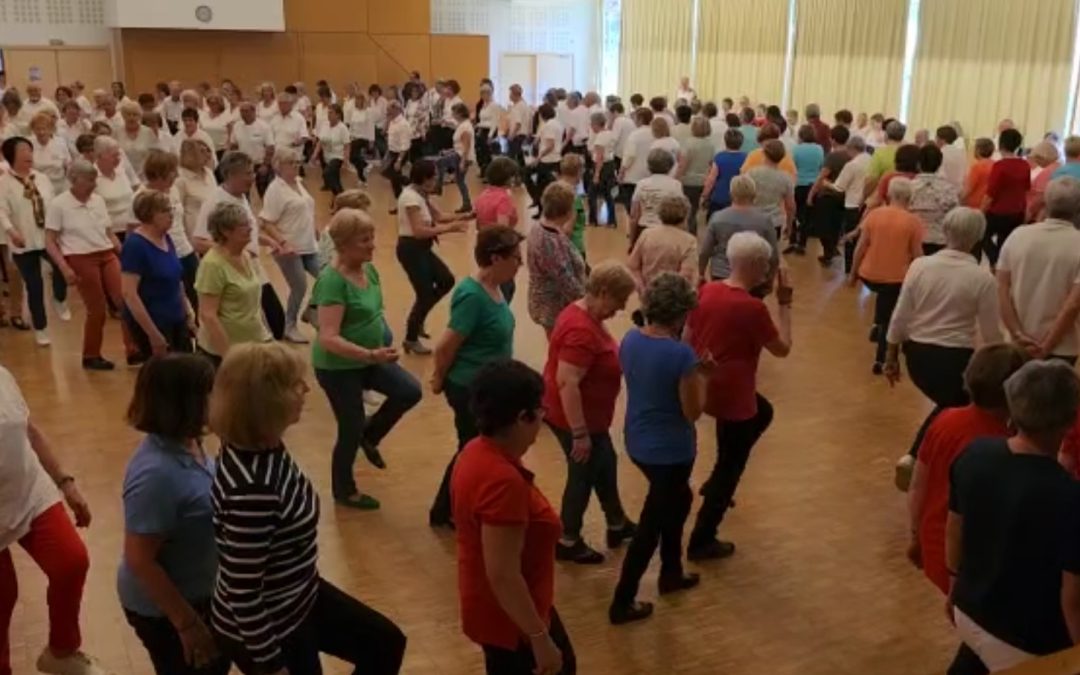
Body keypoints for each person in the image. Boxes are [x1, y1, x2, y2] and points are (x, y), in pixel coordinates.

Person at [207, 343, 407, 674]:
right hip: (268, 627)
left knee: (385, 643)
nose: (306, 389)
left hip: (299, 593)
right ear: (268, 401)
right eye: (295, 384)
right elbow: (243, 592)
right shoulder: (252, 490)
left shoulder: (262, 442)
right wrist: (272, 665)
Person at [946, 360, 1080, 674]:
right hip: (1023, 640)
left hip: (968, 609)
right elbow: (1072, 598)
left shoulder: (975, 453)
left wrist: (954, 588)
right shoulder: (1069, 496)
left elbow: (954, 530)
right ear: (1070, 419)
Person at [450, 359, 575, 675]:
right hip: (512, 621)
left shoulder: (474, 450)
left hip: (509, 607)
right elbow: (503, 574)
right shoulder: (502, 480)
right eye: (540, 409)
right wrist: (538, 638)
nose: (543, 416)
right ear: (523, 417)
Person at [117, 354, 229, 675]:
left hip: (202, 591)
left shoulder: (192, 441)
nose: (218, 398)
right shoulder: (155, 474)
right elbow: (140, 559)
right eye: (211, 391)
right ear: (186, 402)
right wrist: (187, 623)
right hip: (167, 610)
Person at [686, 232, 793, 560]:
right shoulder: (752, 308)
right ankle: (703, 538)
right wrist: (786, 304)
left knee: (763, 413)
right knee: (732, 466)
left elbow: (689, 333)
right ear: (760, 266)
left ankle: (716, 480)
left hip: (707, 384)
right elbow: (782, 349)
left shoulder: (707, 291)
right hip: (734, 393)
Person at [609, 273, 707, 625]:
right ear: (681, 315)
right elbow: (692, 411)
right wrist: (702, 377)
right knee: (652, 524)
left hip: (637, 440)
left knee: (678, 502)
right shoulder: (681, 355)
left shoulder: (631, 340)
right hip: (671, 451)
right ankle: (623, 600)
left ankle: (672, 571)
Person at [313, 208, 422, 510]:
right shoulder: (332, 281)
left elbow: (373, 313)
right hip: (338, 367)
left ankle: (370, 435)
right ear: (344, 245)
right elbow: (328, 337)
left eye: (372, 237)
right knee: (349, 427)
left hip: (371, 358)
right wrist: (370, 354)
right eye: (364, 240)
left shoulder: (369, 270)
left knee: (409, 391)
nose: (373, 244)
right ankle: (344, 490)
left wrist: (380, 345)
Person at [0, 365, 106, 675]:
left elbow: (29, 430)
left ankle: (61, 651)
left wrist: (65, 482)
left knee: (70, 561)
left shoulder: (4, 374)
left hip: (29, 492)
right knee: (3, 596)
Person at [885, 208, 1002, 490]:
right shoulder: (982, 278)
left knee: (953, 404)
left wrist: (891, 356)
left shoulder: (920, 266)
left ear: (945, 231)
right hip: (955, 359)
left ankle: (923, 460)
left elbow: (901, 313)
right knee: (965, 404)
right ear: (978, 237)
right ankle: (921, 459)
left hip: (917, 356)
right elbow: (991, 333)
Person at [907, 344, 1028, 597]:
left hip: (933, 542)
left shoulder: (945, 419)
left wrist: (915, 535)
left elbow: (918, 483)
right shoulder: (1002, 444)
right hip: (965, 558)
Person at [428, 227, 524, 528]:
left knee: (471, 448)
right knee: (471, 449)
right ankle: (453, 509)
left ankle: (445, 509)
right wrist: (438, 379)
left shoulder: (502, 287)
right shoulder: (471, 295)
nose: (520, 264)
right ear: (495, 258)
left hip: (489, 386)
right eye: (515, 258)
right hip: (468, 387)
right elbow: (445, 346)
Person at [543, 261, 637, 564]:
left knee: (605, 463)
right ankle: (567, 539)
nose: (620, 309)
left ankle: (617, 523)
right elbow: (567, 382)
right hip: (575, 419)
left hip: (588, 417)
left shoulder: (581, 312)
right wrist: (579, 434)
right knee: (582, 474)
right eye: (619, 301)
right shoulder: (581, 330)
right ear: (603, 292)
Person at [45, 159, 137, 370]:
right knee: (96, 309)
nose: (94, 184)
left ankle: (133, 349)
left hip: (106, 253)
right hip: (80, 256)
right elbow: (50, 241)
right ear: (74, 180)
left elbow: (108, 231)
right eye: (89, 180)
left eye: (95, 179)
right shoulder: (59, 204)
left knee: (125, 300)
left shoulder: (98, 200)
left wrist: (122, 253)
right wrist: (64, 268)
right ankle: (91, 354)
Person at [192, 151, 287, 341]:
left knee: (276, 320)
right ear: (230, 175)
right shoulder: (215, 203)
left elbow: (245, 229)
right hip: (234, 272)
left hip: (252, 268)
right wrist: (231, 254)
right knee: (270, 320)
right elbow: (199, 241)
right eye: (247, 174)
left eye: (252, 173)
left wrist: (267, 240)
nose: (252, 178)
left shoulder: (241, 197)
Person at [997, 176, 1080, 364]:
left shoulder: (1018, 235)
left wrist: (1017, 334)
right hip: (1062, 345)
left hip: (1018, 344)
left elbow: (1001, 288)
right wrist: (1046, 346)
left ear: (1046, 203)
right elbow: (1073, 305)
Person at [848, 179, 924, 373]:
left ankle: (876, 325)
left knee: (884, 299)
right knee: (890, 314)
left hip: (868, 274)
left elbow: (860, 247)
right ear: (910, 197)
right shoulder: (913, 222)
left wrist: (853, 274)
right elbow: (917, 255)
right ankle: (881, 358)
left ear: (889, 195)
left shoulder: (873, 215)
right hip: (896, 278)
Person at [395, 159, 470, 354]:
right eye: (434, 176)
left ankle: (418, 319)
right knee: (425, 293)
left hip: (422, 248)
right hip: (411, 249)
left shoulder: (421, 195)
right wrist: (451, 228)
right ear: (424, 178)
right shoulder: (410, 198)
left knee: (446, 280)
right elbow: (419, 231)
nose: (437, 179)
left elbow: (439, 217)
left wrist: (465, 216)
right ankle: (411, 337)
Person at [0, 136, 66, 346]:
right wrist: (12, 232)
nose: (28, 154)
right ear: (12, 156)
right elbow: (1, 211)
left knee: (61, 268)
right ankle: (41, 327)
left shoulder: (42, 178)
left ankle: (60, 298)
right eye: (22, 151)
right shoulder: (4, 183)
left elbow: (55, 204)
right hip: (23, 241)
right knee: (34, 286)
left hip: (46, 237)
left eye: (29, 150)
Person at [193, 203, 271, 365]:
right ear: (225, 231)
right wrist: (228, 355)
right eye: (243, 225)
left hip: (253, 344)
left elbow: (255, 304)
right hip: (224, 353)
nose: (250, 228)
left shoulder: (246, 256)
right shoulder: (212, 264)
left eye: (249, 223)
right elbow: (208, 315)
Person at [121, 190, 195, 360]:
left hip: (176, 319)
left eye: (171, 210)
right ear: (149, 215)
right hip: (154, 323)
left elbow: (177, 280)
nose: (171, 215)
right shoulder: (135, 245)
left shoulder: (166, 238)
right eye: (165, 211)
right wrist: (153, 334)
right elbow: (129, 294)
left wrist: (187, 313)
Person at [260, 147, 319, 344]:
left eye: (297, 162)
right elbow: (266, 222)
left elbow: (306, 209)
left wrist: (315, 229)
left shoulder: (299, 183)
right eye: (290, 163)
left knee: (328, 277)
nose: (295, 166)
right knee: (299, 287)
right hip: (288, 248)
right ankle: (289, 325)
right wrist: (283, 242)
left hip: (309, 243)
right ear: (279, 166)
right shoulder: (275, 190)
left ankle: (312, 310)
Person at [526, 182, 587, 336]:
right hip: (554, 307)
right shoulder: (549, 240)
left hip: (550, 303)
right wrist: (588, 302)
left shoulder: (542, 228)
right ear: (567, 211)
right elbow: (565, 279)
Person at [699, 175, 779, 283]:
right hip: (753, 275)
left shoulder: (717, 217)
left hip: (721, 272)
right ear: (754, 194)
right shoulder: (764, 220)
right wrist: (770, 277)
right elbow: (773, 255)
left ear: (731, 194)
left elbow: (705, 250)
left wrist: (701, 273)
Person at [628, 195, 697, 302]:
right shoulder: (689, 241)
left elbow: (633, 266)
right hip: (674, 299)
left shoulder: (647, 234)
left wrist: (642, 288)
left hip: (648, 293)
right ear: (685, 215)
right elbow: (686, 275)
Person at [982, 128, 1030, 269]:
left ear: (1000, 144)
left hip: (998, 212)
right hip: (1017, 212)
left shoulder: (1000, 166)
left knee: (981, 235)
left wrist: (980, 212)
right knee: (1006, 243)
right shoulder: (1025, 165)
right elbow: (1026, 190)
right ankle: (1002, 269)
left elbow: (991, 194)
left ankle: (995, 261)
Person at [629, 149, 683, 250]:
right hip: (667, 231)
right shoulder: (676, 185)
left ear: (649, 166)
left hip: (644, 229)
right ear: (670, 167)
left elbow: (634, 215)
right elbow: (680, 214)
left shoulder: (641, 184)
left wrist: (632, 241)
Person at [787, 125, 825, 255]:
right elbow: (821, 166)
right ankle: (802, 243)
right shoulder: (819, 149)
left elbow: (793, 166)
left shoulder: (796, 149)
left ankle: (792, 240)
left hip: (798, 184)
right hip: (813, 185)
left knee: (793, 212)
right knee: (807, 216)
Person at [747, 140, 796, 241]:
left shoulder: (751, 173)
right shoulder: (786, 178)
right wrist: (789, 226)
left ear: (764, 153)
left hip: (752, 219)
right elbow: (790, 206)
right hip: (774, 221)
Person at [93, 136, 138, 240]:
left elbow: (136, 188)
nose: (118, 158)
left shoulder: (121, 171)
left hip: (132, 228)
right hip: (109, 234)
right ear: (100, 156)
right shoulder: (92, 176)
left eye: (118, 154)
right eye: (113, 155)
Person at [435, 103, 476, 213]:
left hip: (461, 156)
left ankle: (438, 186)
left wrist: (463, 161)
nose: (452, 115)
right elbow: (460, 145)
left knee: (440, 162)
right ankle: (467, 203)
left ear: (459, 113)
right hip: (459, 154)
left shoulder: (465, 126)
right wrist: (449, 151)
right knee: (460, 180)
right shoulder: (462, 125)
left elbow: (466, 146)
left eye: (454, 113)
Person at [676, 116, 714, 233]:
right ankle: (693, 231)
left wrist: (676, 178)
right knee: (695, 209)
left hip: (688, 180)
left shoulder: (688, 143)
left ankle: (688, 232)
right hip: (703, 181)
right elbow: (711, 164)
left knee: (687, 210)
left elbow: (683, 164)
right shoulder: (711, 144)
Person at [701, 128, 746, 221]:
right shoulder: (746, 157)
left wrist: (705, 194)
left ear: (725, 141)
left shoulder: (719, 157)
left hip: (719, 197)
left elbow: (711, 179)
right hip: (737, 197)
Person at [30, 112, 71, 197]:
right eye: (38, 129)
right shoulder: (28, 144)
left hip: (59, 186)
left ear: (51, 129)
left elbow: (68, 165)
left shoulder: (60, 143)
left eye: (44, 128)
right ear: (33, 130)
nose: (41, 132)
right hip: (38, 188)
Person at [587, 111, 618, 227]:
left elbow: (599, 157)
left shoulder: (600, 137)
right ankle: (612, 221)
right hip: (610, 165)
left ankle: (593, 220)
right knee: (609, 195)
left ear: (596, 124)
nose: (591, 126)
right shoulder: (610, 134)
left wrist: (596, 174)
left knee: (592, 194)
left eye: (591, 124)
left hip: (601, 167)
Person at [1026, 141, 1062, 223]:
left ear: (1043, 158)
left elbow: (1039, 198)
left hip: (1040, 215)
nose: (1037, 162)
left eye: (1038, 159)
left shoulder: (1047, 172)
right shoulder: (1059, 167)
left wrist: (1029, 213)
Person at [962, 139, 995, 209]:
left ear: (978, 150)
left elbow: (968, 189)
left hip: (974, 205)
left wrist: (959, 200)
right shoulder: (995, 165)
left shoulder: (977, 167)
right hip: (989, 205)